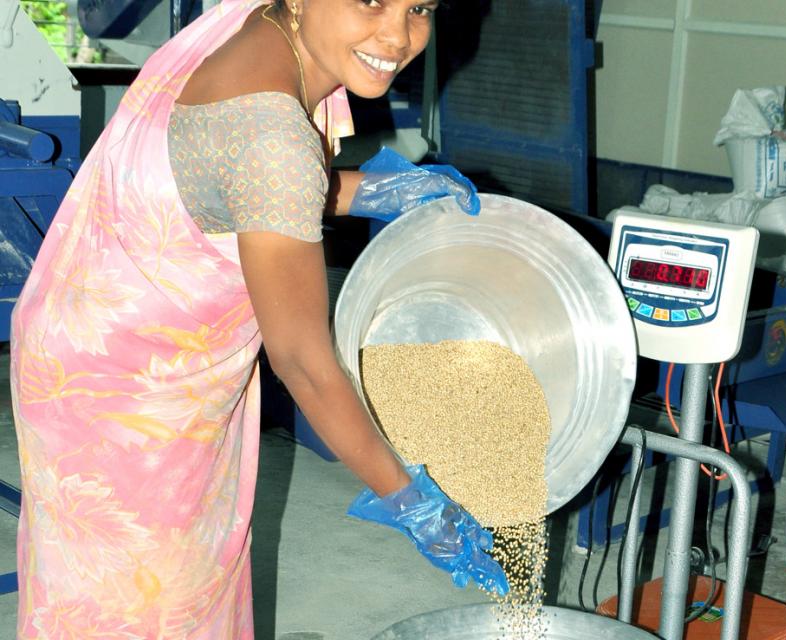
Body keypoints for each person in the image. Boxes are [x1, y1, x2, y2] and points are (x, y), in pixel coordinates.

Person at [10, 0, 507, 637]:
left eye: (420, 7)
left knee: (101, 589)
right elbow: (302, 360)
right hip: (132, 398)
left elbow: (230, 177)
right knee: (147, 607)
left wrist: (370, 190)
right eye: (371, 1)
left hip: (84, 339)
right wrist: (411, 503)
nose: (397, 34)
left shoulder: (256, 18)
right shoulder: (272, 138)